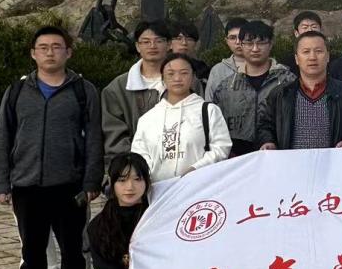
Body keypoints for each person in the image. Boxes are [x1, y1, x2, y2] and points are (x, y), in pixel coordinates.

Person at [0, 25, 102, 269]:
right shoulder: (17, 91)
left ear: (68, 52)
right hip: (27, 186)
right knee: (32, 249)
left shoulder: (84, 91)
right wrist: (1, 182)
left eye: (56, 46)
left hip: (69, 185)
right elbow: (2, 137)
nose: (50, 52)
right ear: (33, 53)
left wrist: (91, 181)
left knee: (73, 249)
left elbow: (95, 139)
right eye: (43, 47)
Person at [258, 31, 342, 150]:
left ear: (328, 56)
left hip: (335, 160)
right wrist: (268, 141)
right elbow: (265, 126)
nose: (312, 57)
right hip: (292, 161)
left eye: (318, 51)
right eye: (306, 52)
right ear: (296, 59)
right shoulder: (280, 94)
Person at [131, 53, 232, 184]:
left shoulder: (208, 111)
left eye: (184, 73)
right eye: (171, 74)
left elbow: (221, 147)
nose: (177, 78)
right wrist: (149, 178)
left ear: (193, 77)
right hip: (157, 189)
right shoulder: (148, 118)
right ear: (162, 78)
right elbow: (139, 154)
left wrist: (196, 169)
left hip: (198, 186)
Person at [209, 20, 293, 156]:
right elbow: (215, 127)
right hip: (237, 159)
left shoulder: (288, 81)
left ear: (271, 44)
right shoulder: (226, 87)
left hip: (278, 156)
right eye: (249, 43)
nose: (255, 49)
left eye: (261, 43)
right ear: (241, 45)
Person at [102, 20, 172, 163]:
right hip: (133, 167)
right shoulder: (117, 88)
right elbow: (114, 136)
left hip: (178, 163)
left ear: (169, 44)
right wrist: (135, 164)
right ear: (137, 46)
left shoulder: (187, 82)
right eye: (145, 42)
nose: (152, 46)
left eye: (158, 41)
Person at [205, 17, 249, 100]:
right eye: (232, 38)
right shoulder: (218, 71)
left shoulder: (265, 67)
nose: (238, 42)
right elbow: (209, 102)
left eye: (242, 36)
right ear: (226, 41)